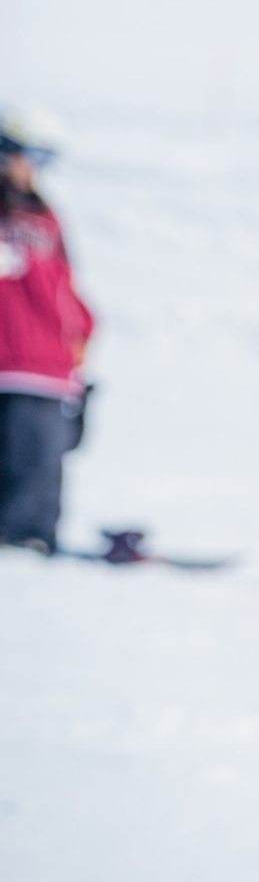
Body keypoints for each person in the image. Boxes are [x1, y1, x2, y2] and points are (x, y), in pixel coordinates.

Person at [0, 108, 94, 555]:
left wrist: (82, 325)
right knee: (18, 461)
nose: (32, 168)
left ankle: (39, 537)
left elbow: (62, 279)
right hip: (11, 363)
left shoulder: (44, 215)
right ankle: (15, 540)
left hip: (53, 364)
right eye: (27, 155)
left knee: (46, 466)